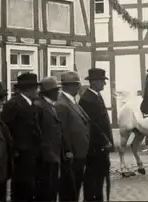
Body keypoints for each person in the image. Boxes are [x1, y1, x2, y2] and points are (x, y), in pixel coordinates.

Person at [0, 73, 40, 202]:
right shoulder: (14, 104)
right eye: (36, 88)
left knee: (30, 189)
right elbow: (5, 129)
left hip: (31, 155)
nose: (37, 91)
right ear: (29, 89)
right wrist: (14, 150)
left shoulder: (30, 104)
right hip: (21, 156)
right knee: (21, 191)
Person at [80, 68, 114, 202]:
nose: (104, 84)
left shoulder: (96, 97)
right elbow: (93, 125)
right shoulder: (87, 99)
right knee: (93, 180)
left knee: (99, 180)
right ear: (93, 82)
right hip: (95, 147)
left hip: (101, 147)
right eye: (101, 81)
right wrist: (105, 141)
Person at [56, 71, 90, 202]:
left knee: (75, 189)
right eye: (77, 84)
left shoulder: (72, 102)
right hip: (72, 155)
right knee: (69, 191)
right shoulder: (62, 104)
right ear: (71, 86)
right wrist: (68, 151)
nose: (79, 87)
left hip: (79, 153)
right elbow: (63, 131)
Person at [35, 77, 64, 202]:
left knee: (52, 190)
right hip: (46, 158)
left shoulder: (49, 106)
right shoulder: (41, 107)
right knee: (46, 191)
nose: (58, 93)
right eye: (56, 90)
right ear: (50, 92)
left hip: (52, 156)